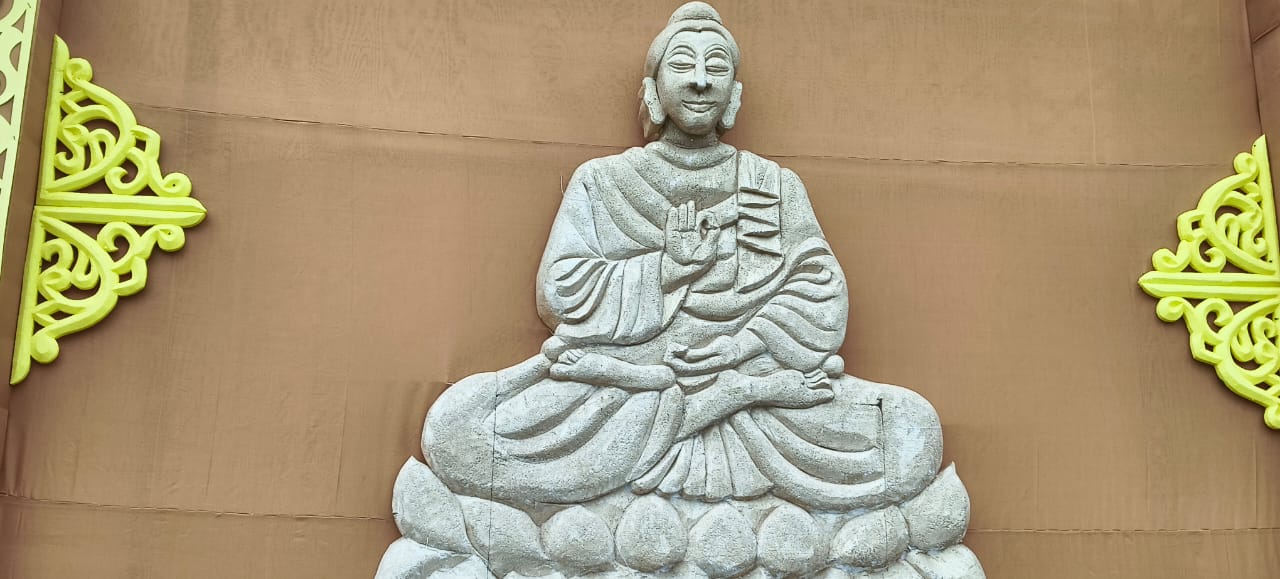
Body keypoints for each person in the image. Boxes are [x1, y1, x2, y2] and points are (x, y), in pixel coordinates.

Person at [423, 1, 942, 513]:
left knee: (907, 430)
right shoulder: (603, 181)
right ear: (652, 90)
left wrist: (736, 349)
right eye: (682, 65)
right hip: (629, 389)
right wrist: (668, 270)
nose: (699, 82)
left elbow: (821, 294)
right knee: (458, 434)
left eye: (716, 68)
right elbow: (562, 293)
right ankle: (714, 415)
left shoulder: (771, 185)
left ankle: (720, 407)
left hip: (753, 387)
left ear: (734, 94)